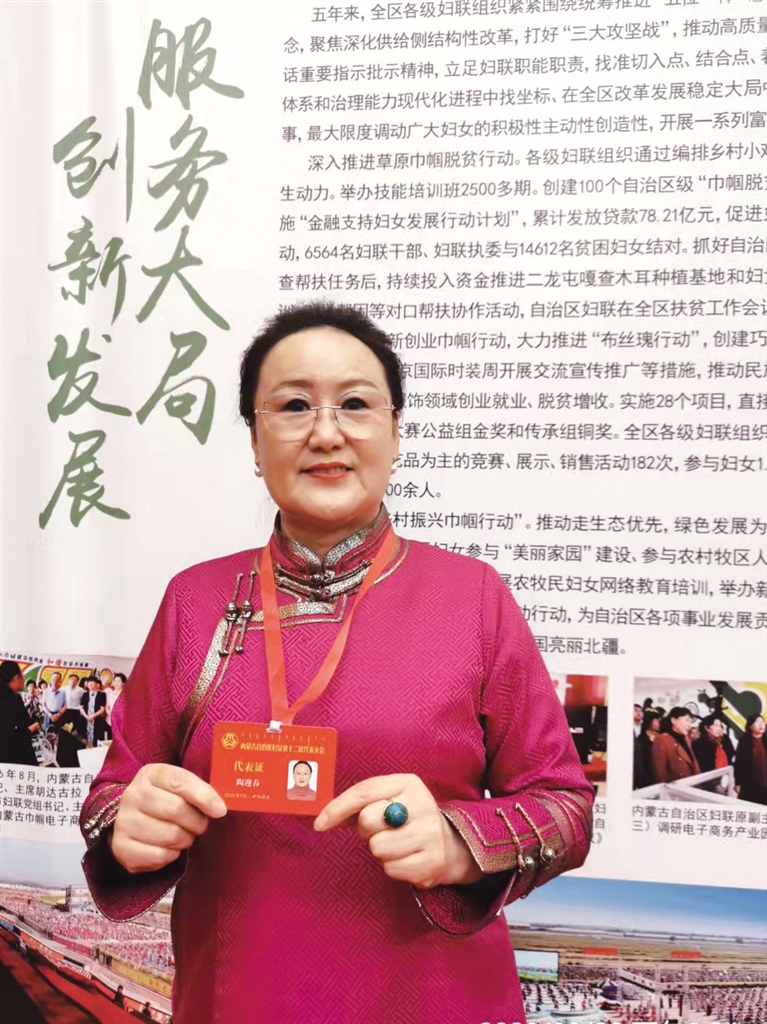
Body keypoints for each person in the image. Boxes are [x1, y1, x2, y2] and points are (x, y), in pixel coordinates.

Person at [80, 303, 593, 1024]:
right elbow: (112, 794)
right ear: (255, 441)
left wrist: (459, 842)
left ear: (395, 431)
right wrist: (129, 828)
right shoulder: (195, 600)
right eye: (293, 406)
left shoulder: (473, 597)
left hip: (434, 998)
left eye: (354, 403)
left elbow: (565, 806)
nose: (325, 433)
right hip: (240, 997)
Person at [0, 660, 40, 765]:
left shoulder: (16, 697)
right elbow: (10, 737)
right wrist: (32, 728)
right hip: (12, 758)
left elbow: (25, 719)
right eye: (22, 676)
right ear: (16, 678)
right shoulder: (6, 700)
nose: (24, 679)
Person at [651, 707, 701, 784]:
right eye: (686, 720)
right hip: (676, 788)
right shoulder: (662, 740)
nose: (689, 725)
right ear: (674, 720)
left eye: (691, 722)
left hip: (692, 785)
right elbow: (660, 775)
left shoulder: (686, 739)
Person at [693, 714, 732, 794]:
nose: (719, 728)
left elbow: (730, 756)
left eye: (720, 726)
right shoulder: (699, 744)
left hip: (723, 782)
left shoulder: (723, 742)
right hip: (706, 785)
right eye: (716, 725)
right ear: (706, 728)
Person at [734, 714, 767, 806]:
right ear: (750, 726)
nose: (761, 725)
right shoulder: (744, 741)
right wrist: (738, 783)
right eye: (757, 722)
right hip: (750, 782)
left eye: (762, 722)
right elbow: (739, 764)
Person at [633, 709, 661, 790]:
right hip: (647, 780)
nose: (659, 723)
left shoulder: (661, 738)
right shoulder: (642, 741)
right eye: (656, 721)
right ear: (649, 722)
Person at [80, 676, 108, 747]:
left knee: (97, 740)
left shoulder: (102, 694)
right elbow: (81, 707)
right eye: (89, 682)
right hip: (86, 720)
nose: (90, 684)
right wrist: (86, 716)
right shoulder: (85, 694)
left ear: (97, 684)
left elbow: (102, 709)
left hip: (97, 720)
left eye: (92, 682)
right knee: (85, 739)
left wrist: (93, 716)